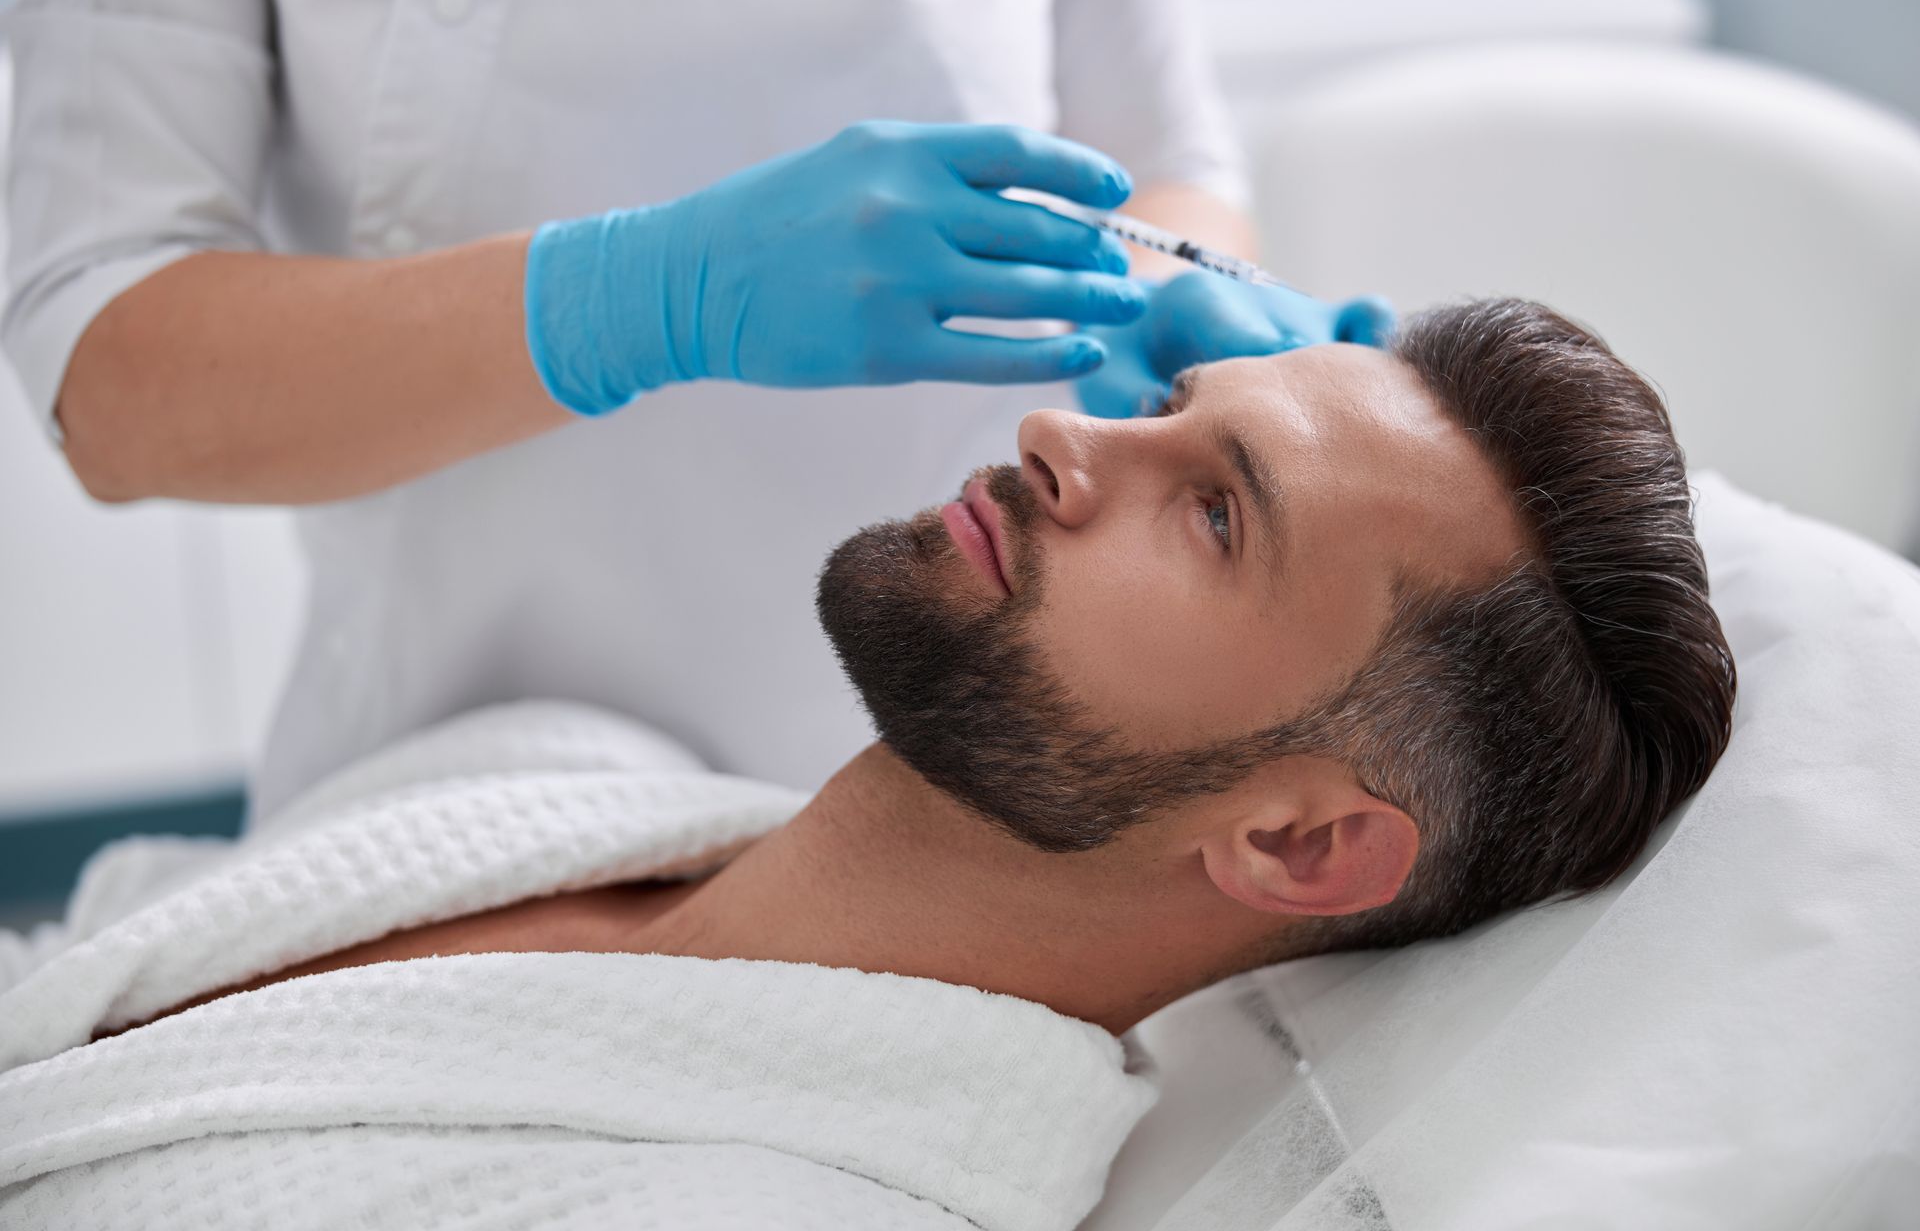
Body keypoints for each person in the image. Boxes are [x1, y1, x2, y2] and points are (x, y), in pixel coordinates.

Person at [0, 300, 1736, 1230]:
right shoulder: (548, 768)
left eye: (1216, 511)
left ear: (1299, 848)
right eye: (1174, 401)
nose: (1070, 432)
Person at [4, 0, 1383, 826]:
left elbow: (1166, 160)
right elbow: (110, 372)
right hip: (453, 765)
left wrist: (1174, 315)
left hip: (1002, 776)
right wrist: (632, 295)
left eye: (1219, 516)